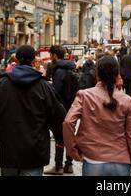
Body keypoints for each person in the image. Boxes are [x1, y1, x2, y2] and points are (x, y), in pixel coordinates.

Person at [0, 45, 66, 176]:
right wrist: (62, 140)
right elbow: (57, 116)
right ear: (33, 61)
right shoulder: (44, 86)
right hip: (34, 151)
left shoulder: (1, 84)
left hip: (6, 150)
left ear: (17, 60)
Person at [63, 56, 131, 176]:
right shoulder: (127, 100)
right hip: (121, 161)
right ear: (117, 74)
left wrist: (73, 151)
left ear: (97, 74)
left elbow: (68, 122)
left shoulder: (84, 96)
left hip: (93, 160)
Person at [45, 45, 79, 175]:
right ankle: (69, 165)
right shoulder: (72, 67)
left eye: (50, 54)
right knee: (69, 136)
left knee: (60, 137)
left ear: (54, 55)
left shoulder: (59, 70)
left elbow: (56, 92)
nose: (50, 57)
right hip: (72, 107)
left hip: (61, 108)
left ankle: (58, 166)